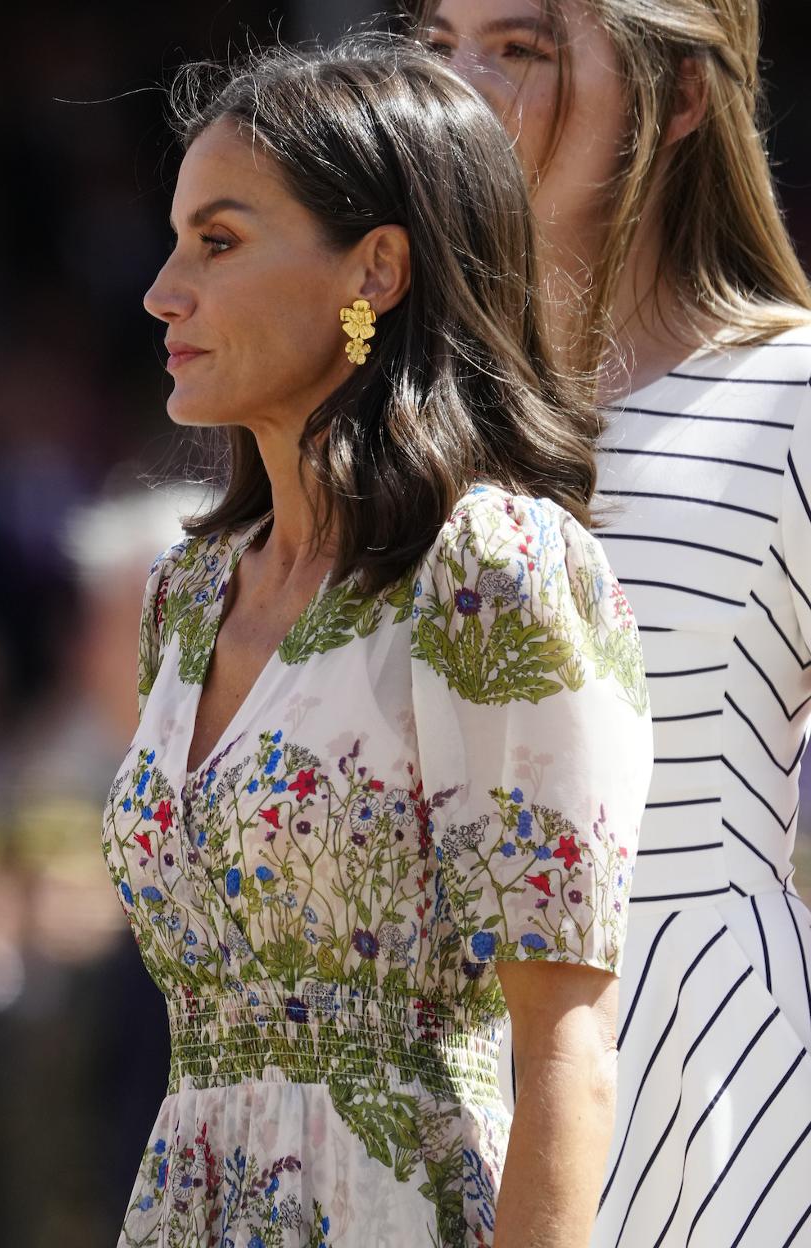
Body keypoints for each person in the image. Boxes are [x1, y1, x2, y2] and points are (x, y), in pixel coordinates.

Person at [102, 33, 652, 1248]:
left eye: (220, 241)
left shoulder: (492, 571)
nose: (162, 290)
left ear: (376, 271)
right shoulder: (185, 601)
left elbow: (565, 1042)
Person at [420, 2, 811, 1244]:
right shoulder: (392, 419)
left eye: (520, 49)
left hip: (717, 1088)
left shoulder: (795, 396)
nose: (462, 89)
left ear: (680, 100)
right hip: (417, 1083)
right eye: (439, 44)